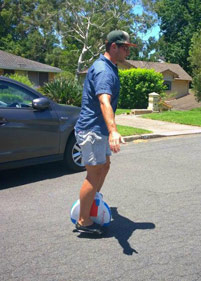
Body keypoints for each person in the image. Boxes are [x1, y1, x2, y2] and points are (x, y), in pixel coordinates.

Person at [74, 30, 136, 234]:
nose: (128, 51)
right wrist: (113, 131)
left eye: (128, 48)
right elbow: (104, 100)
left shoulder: (109, 67)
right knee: (93, 175)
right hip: (93, 130)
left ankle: (92, 201)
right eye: (125, 47)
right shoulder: (104, 71)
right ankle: (83, 220)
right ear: (113, 46)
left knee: (105, 166)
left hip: (97, 130)